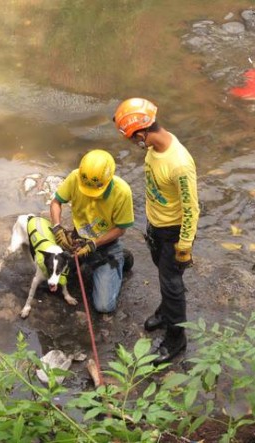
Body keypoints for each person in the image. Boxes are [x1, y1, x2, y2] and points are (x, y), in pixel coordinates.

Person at [113, 97, 199, 365]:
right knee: (164, 277)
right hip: (156, 225)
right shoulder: (155, 147)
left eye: (132, 139)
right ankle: (165, 312)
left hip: (173, 232)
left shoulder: (180, 164)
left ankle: (176, 339)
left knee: (172, 285)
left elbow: (191, 209)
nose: (133, 144)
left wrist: (184, 246)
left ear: (142, 133)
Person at [50, 149, 134, 313]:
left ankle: (122, 256)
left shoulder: (122, 192)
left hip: (106, 245)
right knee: (52, 278)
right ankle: (87, 261)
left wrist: (94, 244)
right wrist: (57, 227)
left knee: (104, 306)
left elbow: (121, 229)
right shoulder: (76, 177)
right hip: (77, 238)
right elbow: (56, 202)